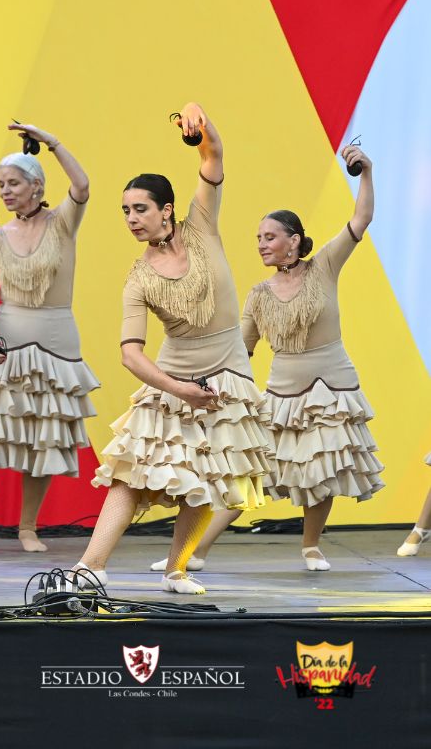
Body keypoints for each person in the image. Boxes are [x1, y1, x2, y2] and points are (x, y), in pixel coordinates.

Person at [68, 103, 274, 595]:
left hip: (227, 378)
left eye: (139, 209)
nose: (131, 219)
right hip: (172, 381)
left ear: (167, 209)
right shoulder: (138, 277)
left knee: (207, 479)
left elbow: (213, 155)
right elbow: (131, 354)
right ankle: (88, 567)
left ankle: (177, 570)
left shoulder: (202, 225)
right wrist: (180, 390)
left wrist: (199, 121)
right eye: (124, 211)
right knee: (130, 476)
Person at [175, 145, 381, 572]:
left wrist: (366, 174)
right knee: (252, 474)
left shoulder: (323, 265)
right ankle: (195, 551)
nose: (262, 245)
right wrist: (208, 387)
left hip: (331, 389)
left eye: (270, 237)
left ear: (294, 240)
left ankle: (310, 547)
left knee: (322, 471)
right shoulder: (258, 295)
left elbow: (360, 220)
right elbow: (240, 350)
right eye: (258, 239)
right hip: (282, 396)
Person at [0, 125, 98, 552]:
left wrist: (53, 142)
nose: (5, 190)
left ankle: (27, 527)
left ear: (37, 186)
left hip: (55, 347)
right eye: (1, 184)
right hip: (4, 346)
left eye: (13, 183)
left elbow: (82, 184)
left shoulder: (62, 224)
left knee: (43, 439)